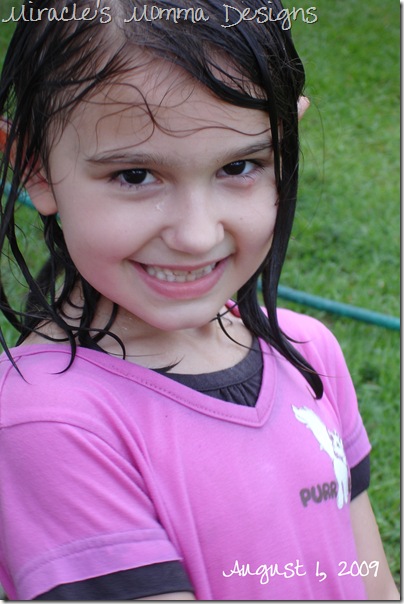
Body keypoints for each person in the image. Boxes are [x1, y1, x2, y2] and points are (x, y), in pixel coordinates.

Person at [0, 0, 399, 600]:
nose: (196, 234)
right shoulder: (51, 421)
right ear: (34, 166)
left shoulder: (309, 352)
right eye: (135, 175)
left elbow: (372, 583)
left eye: (240, 166)